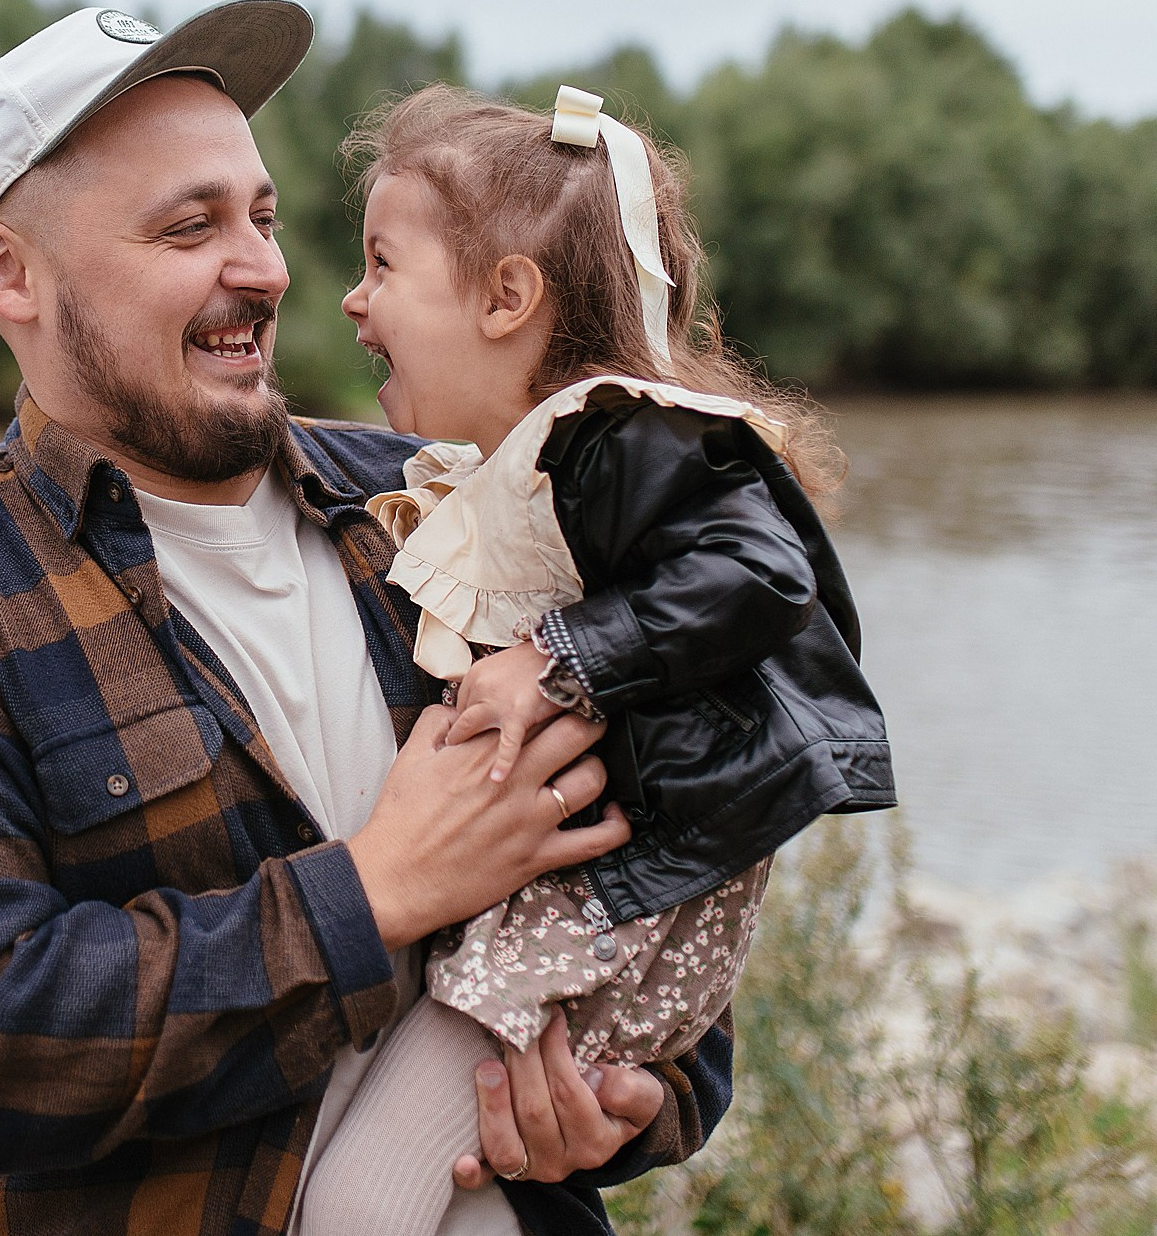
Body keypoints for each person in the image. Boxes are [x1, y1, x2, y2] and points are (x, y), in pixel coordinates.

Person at [0, 3, 734, 1236]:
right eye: (191, 225)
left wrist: (631, 1099)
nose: (268, 269)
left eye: (264, 216)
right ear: (7, 271)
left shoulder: (446, 500)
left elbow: (660, 895)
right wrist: (374, 891)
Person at [300, 84, 896, 1235]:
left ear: (506, 296)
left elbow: (768, 576)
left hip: (610, 903)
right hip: (604, 898)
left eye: (381, 262)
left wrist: (552, 658)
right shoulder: (531, 463)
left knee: (359, 1203)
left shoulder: (621, 434)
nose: (351, 297)